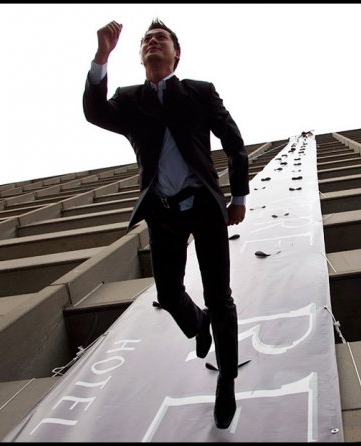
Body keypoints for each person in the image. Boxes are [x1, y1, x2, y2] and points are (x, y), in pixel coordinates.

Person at [83, 19, 249, 429]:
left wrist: (239, 196)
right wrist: (102, 57)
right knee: (169, 293)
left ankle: (226, 379)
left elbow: (234, 141)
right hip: (161, 210)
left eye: (162, 39)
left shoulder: (199, 91)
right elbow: (93, 112)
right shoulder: (128, 99)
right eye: (147, 40)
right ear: (141, 55)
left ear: (176, 54)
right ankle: (199, 324)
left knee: (219, 296)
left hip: (205, 208)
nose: (153, 42)